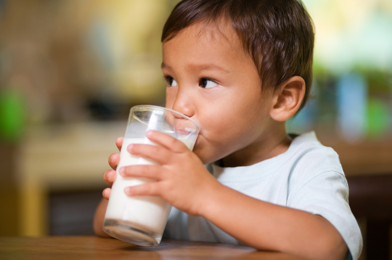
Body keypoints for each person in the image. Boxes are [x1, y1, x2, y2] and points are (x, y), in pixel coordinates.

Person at [93, 0, 363, 259]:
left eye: (206, 82)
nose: (179, 104)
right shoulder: (184, 167)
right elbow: (106, 230)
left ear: (282, 99)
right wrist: (130, 187)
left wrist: (204, 194)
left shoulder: (306, 165)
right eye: (171, 79)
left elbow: (328, 247)